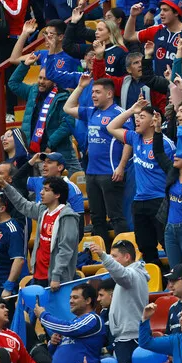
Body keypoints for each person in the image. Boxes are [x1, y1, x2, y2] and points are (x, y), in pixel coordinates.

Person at [65, 74, 132, 246]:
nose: (93, 95)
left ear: (109, 94)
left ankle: (123, 253)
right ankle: (103, 256)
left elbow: (128, 141)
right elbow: (68, 107)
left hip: (110, 172)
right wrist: (80, 87)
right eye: (92, 92)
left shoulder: (120, 114)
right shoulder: (92, 112)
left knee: (116, 216)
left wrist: (121, 166)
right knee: (96, 217)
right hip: (92, 172)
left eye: (97, 92)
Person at [0, 175, 82, 290]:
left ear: (57, 195)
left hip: (56, 279)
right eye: (42, 189)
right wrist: (6, 186)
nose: (41, 193)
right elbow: (22, 204)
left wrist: (56, 276)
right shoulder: (42, 210)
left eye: (46, 190)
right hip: (38, 275)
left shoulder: (68, 217)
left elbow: (66, 249)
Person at [35, 284, 107, 363]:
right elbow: (56, 352)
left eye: (75, 297)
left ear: (88, 300)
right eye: (70, 298)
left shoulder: (92, 318)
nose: (70, 301)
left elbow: (71, 329)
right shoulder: (74, 322)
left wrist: (43, 316)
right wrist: (53, 344)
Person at [93, 240, 150, 363]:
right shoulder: (131, 276)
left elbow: (120, 273)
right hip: (126, 338)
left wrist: (102, 255)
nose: (112, 259)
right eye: (110, 256)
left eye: (114, 256)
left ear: (127, 257)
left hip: (130, 339)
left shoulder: (131, 275)